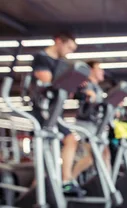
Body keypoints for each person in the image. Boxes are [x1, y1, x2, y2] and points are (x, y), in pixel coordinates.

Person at [31, 31, 82, 196]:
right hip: (43, 109)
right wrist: (65, 84)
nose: (70, 52)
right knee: (70, 139)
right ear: (59, 41)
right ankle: (66, 180)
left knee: (50, 154)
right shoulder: (41, 58)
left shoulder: (63, 64)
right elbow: (47, 81)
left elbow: (66, 90)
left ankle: (36, 191)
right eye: (68, 47)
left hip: (55, 110)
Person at [68, 60, 111, 185]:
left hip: (96, 125)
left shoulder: (97, 87)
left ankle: (107, 184)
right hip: (86, 124)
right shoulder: (86, 84)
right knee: (93, 156)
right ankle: (71, 180)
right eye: (99, 68)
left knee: (105, 154)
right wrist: (87, 95)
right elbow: (78, 93)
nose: (102, 71)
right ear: (91, 70)